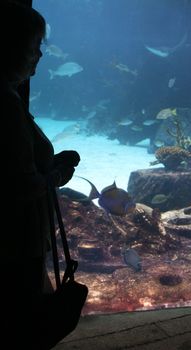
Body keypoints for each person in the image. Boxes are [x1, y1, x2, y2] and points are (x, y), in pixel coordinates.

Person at [0, 1, 81, 348]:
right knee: (19, 325)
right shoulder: (2, 103)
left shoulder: (7, 97)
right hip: (11, 242)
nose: (39, 56)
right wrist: (56, 175)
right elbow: (15, 186)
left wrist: (47, 164)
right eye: (34, 46)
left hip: (14, 241)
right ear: (9, 46)